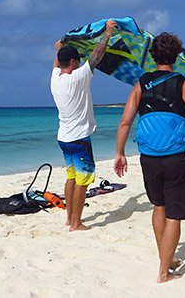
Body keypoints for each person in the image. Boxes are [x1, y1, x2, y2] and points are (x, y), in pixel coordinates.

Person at [114, 32, 185, 283]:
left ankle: (165, 258)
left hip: (149, 158)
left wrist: (120, 153)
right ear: (176, 57)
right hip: (176, 158)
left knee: (159, 206)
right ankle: (164, 272)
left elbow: (125, 123)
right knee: (175, 214)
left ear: (153, 56)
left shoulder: (140, 85)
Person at [51, 19, 118, 232]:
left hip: (64, 138)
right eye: (77, 61)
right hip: (79, 139)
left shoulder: (55, 78)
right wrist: (107, 34)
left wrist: (59, 48)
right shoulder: (77, 78)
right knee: (83, 181)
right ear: (72, 62)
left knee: (71, 176)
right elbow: (96, 57)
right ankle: (77, 223)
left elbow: (56, 63)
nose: (80, 63)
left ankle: (69, 218)